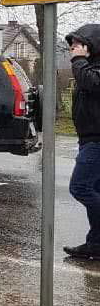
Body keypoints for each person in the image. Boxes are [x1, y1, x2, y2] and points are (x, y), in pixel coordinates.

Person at [64, 24, 100, 260]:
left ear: (91, 45)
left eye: (77, 44)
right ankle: (95, 245)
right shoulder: (90, 68)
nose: (72, 49)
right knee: (94, 189)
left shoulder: (91, 70)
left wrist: (78, 61)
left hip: (97, 140)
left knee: (80, 187)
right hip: (89, 139)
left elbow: (92, 84)